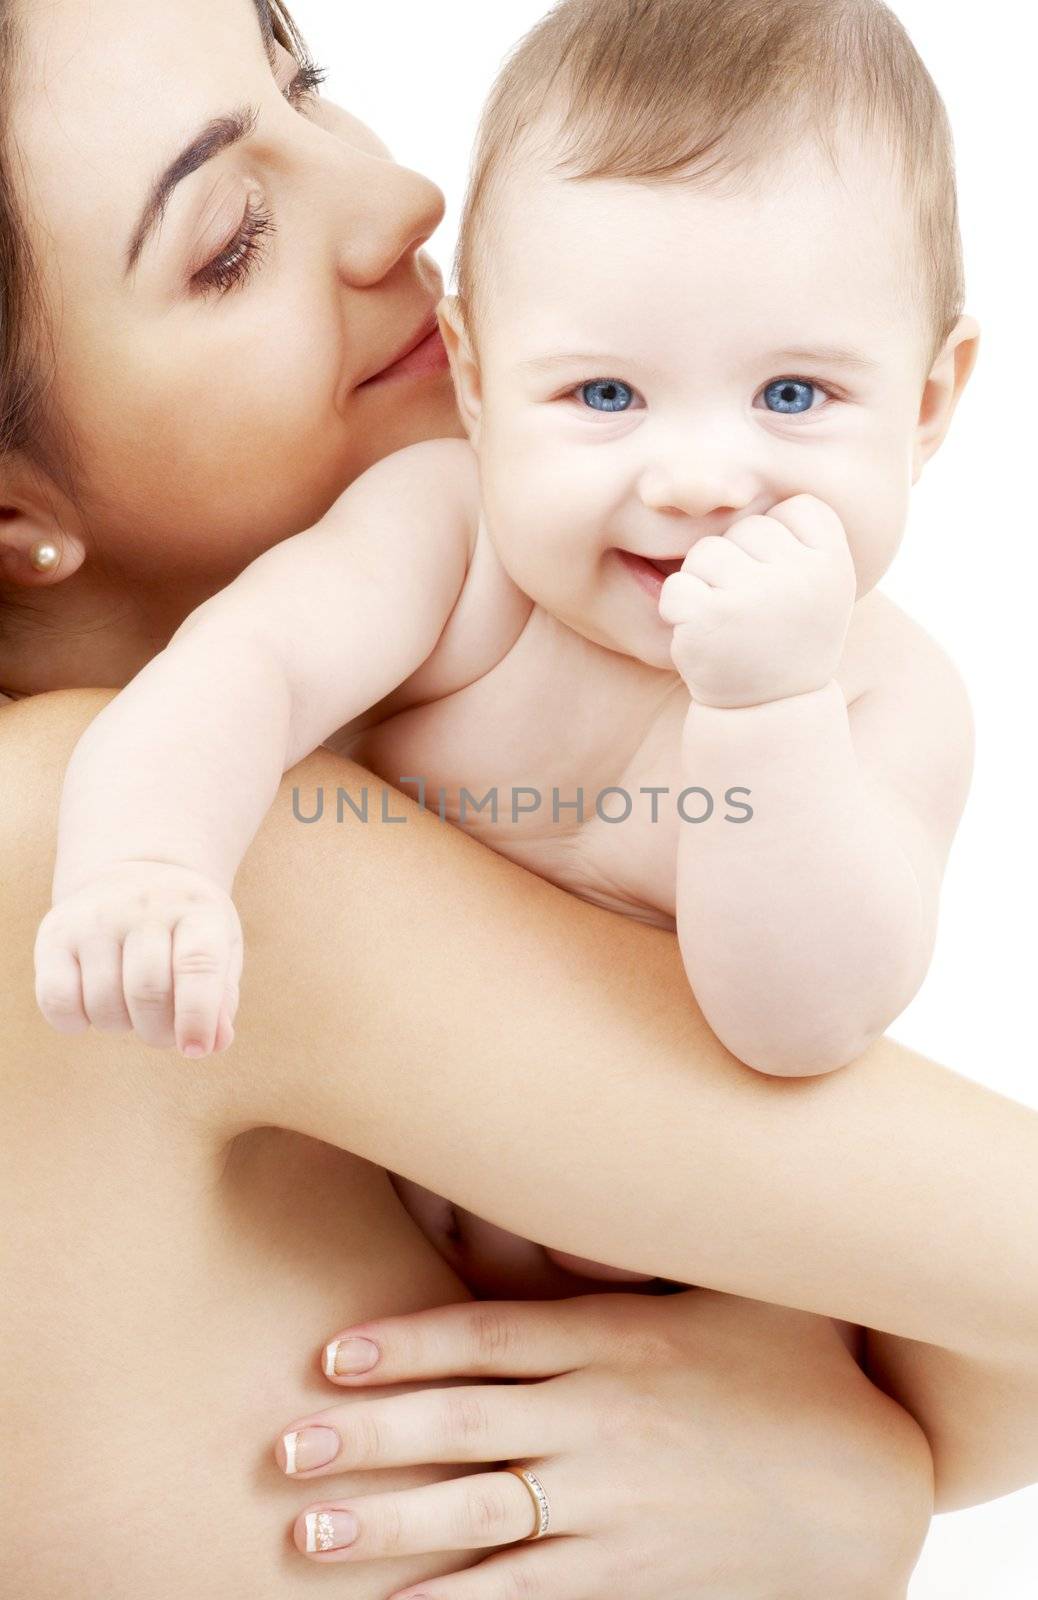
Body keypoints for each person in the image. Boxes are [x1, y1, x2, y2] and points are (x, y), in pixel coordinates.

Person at [1, 2, 1036, 1597]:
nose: (407, 205)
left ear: (931, 395)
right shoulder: (110, 830)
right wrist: (864, 1474)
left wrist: (852, 1460)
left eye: (307, 83)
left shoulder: (343, 754)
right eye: (226, 240)